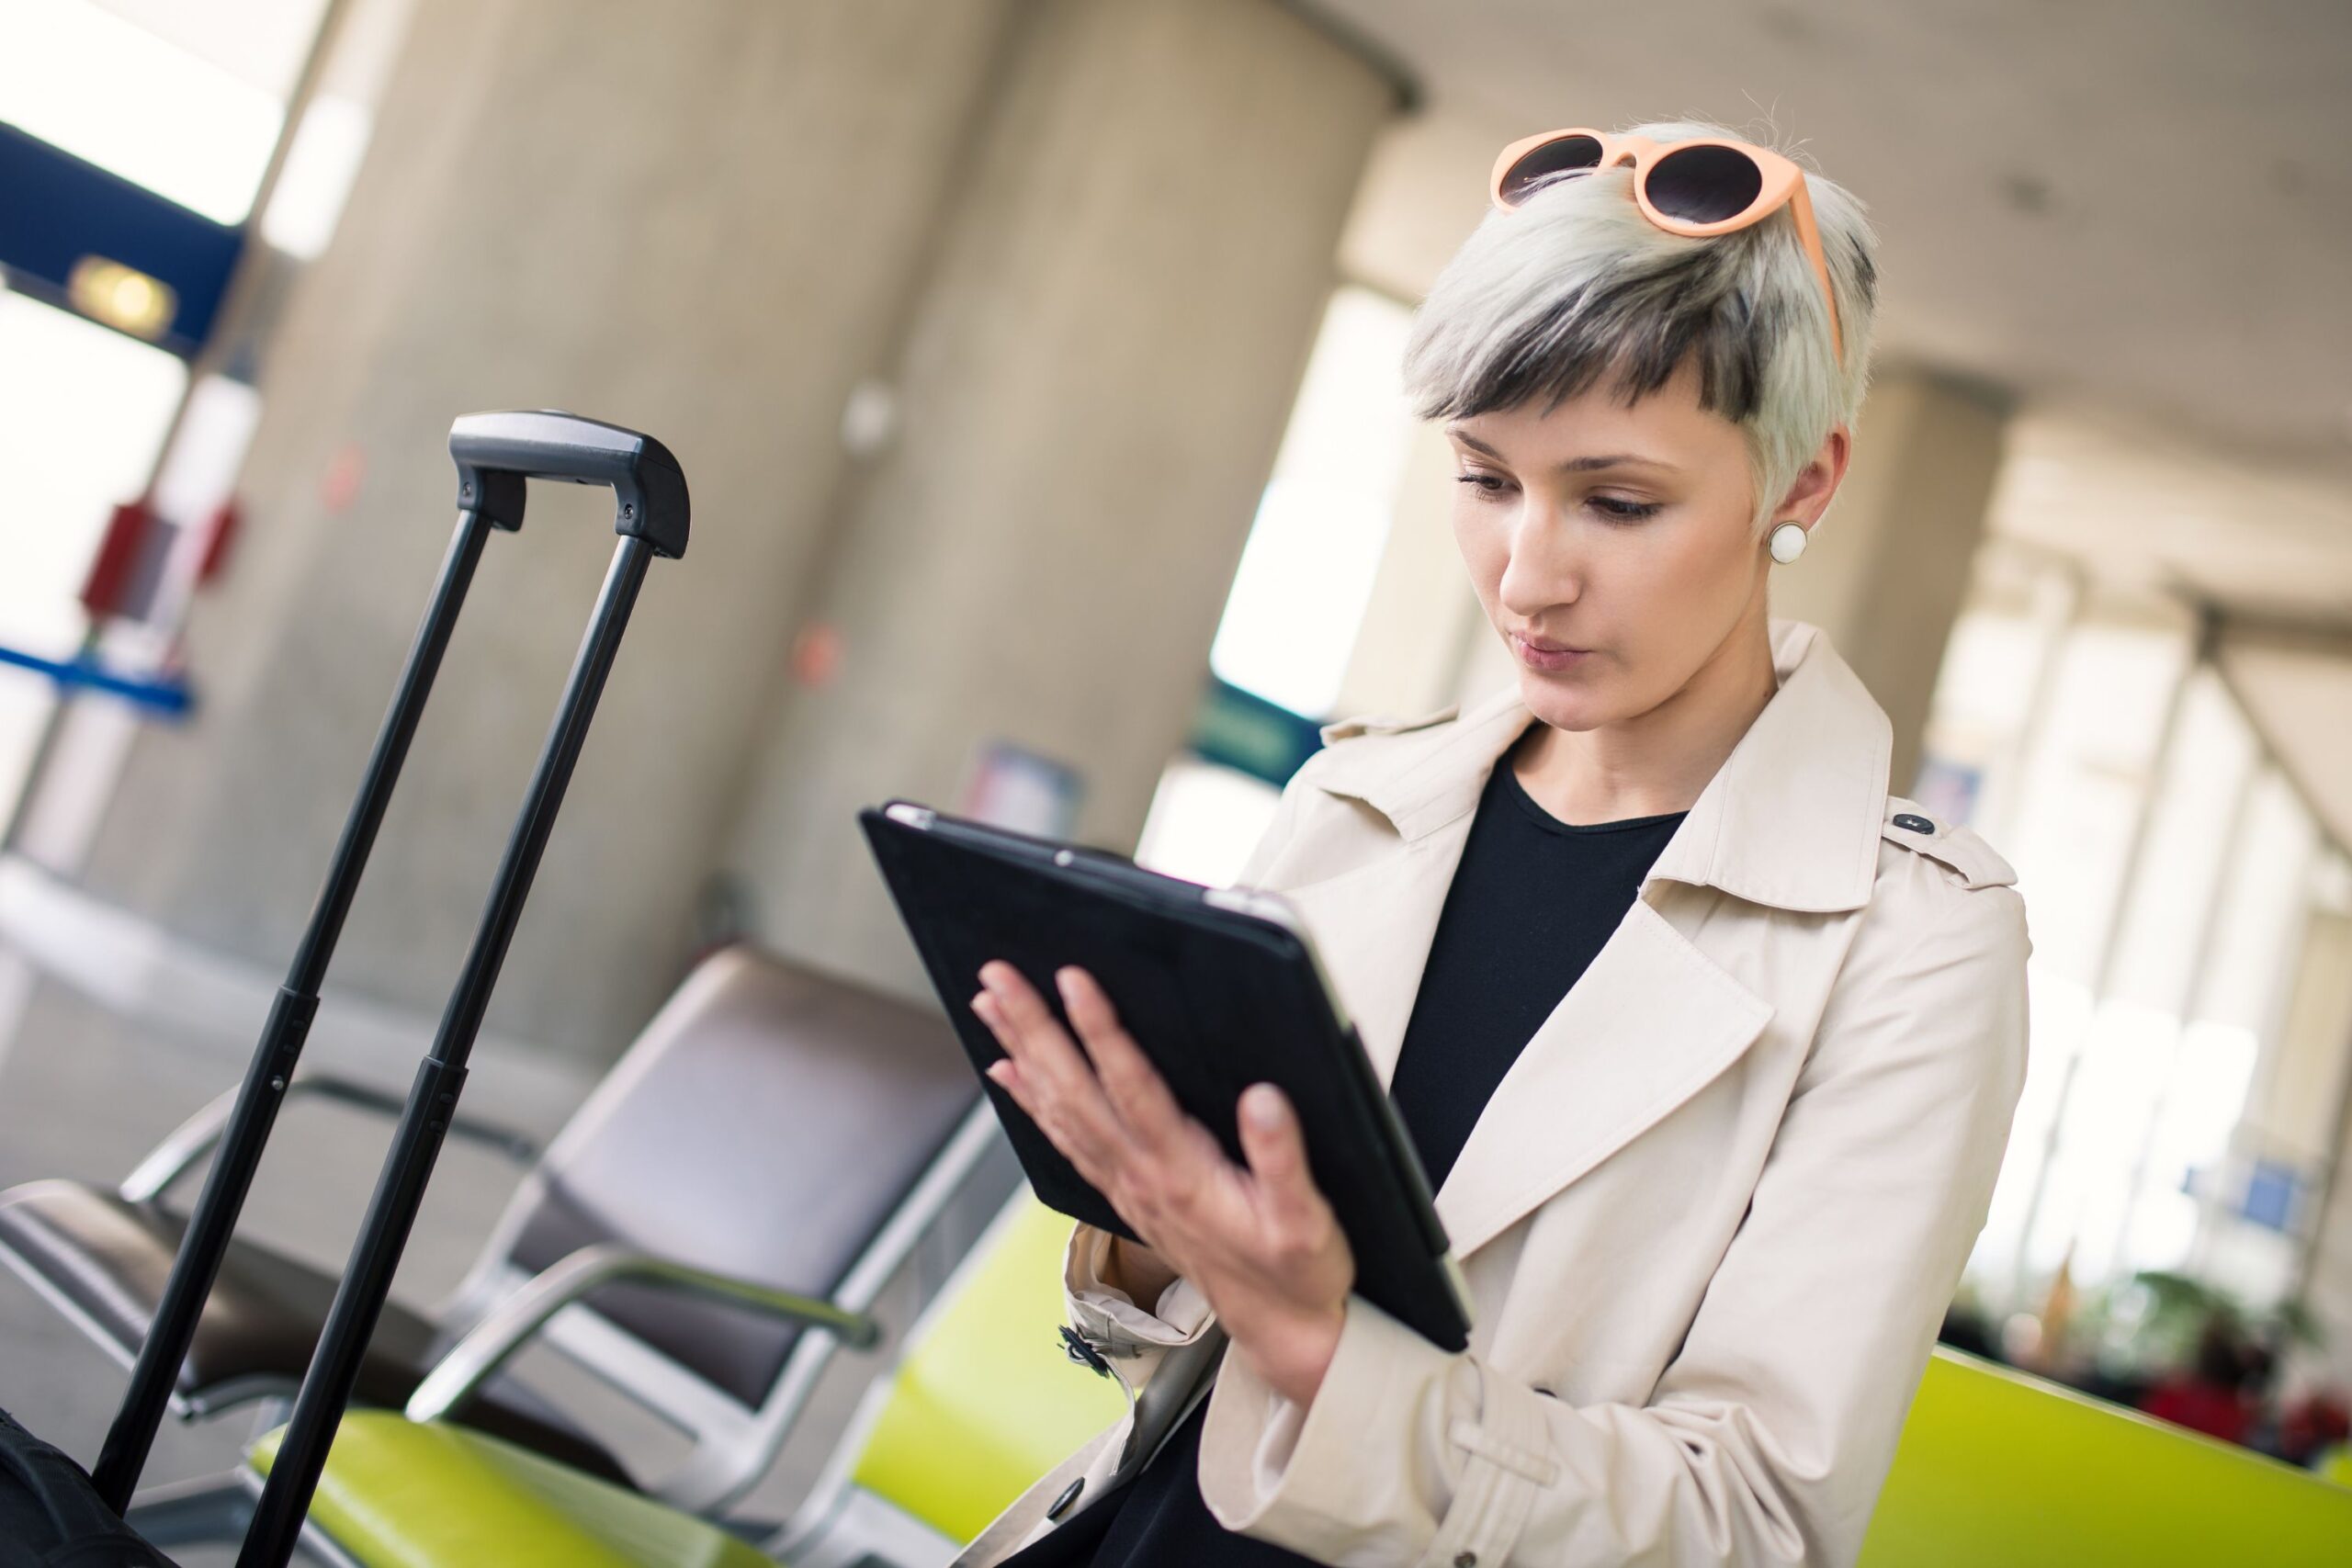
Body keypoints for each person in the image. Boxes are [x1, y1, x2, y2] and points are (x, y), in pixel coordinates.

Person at [953, 118, 2033, 1567]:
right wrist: (1152, 1219)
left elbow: (1752, 1527)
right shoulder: (1354, 806)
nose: (1528, 574)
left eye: (1619, 501)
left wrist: (1329, 1347)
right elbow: (1171, 1365)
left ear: (1804, 483)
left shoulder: (1913, 944)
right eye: (1483, 477)